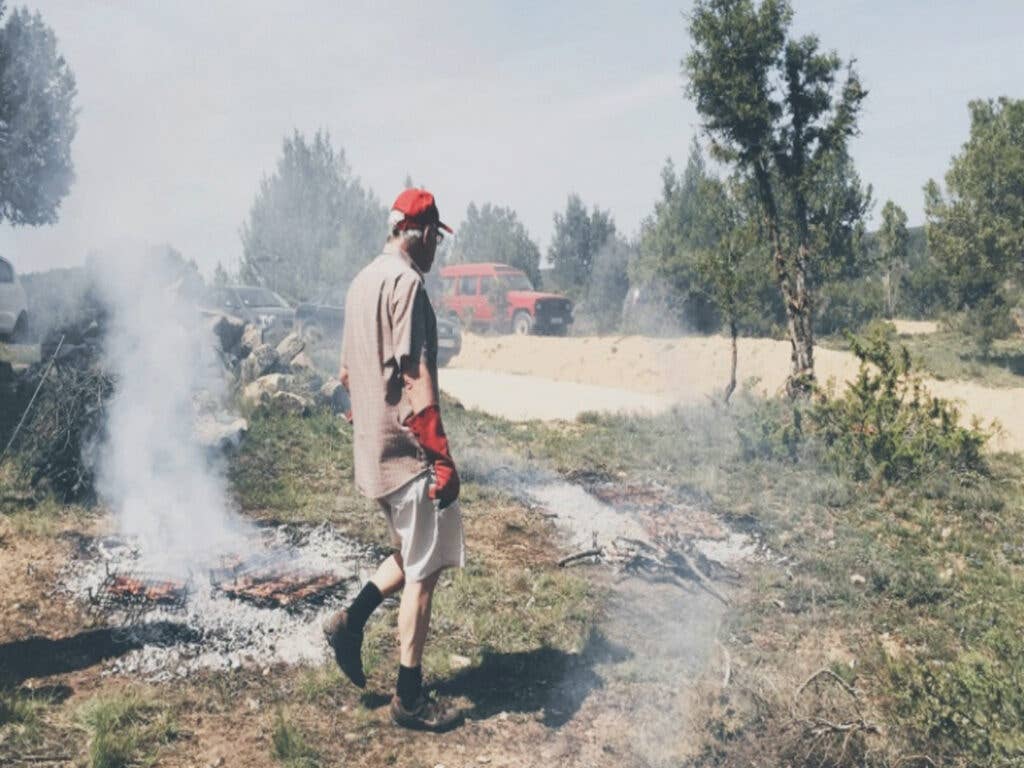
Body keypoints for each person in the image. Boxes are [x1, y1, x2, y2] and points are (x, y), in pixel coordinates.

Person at [323, 188, 465, 732]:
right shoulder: (407, 284)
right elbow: (414, 373)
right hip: (410, 456)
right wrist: (441, 456)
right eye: (435, 240)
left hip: (374, 456)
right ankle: (409, 700)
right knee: (423, 574)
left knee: (409, 552)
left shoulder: (361, 282)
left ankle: (350, 622)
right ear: (424, 233)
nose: (436, 251)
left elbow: (345, 378)